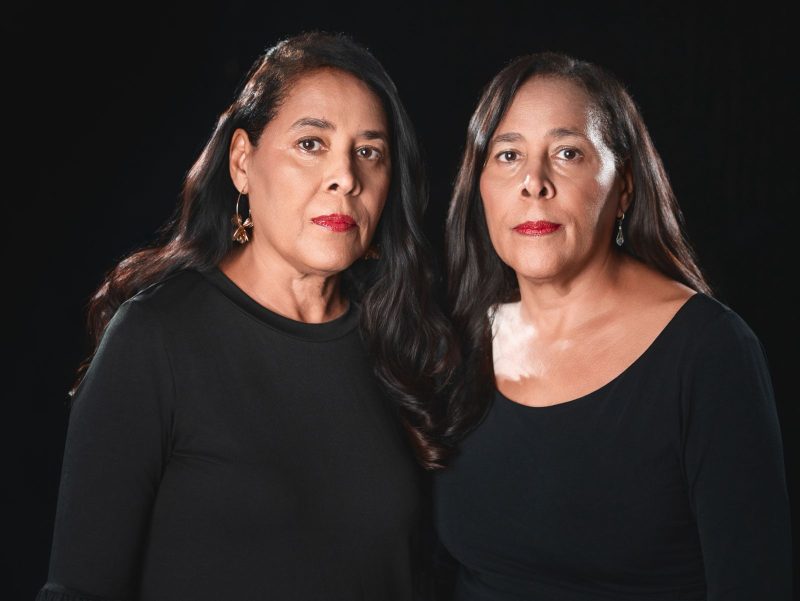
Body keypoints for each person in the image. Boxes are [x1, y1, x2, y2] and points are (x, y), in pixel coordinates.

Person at [37, 31, 452, 601]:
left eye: (369, 152)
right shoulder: (156, 338)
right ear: (241, 162)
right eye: (311, 143)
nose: (345, 177)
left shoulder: (399, 344)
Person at [434, 52, 791, 600]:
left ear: (623, 185)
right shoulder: (458, 343)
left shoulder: (710, 351)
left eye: (567, 153)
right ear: (479, 184)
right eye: (508, 155)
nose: (533, 183)